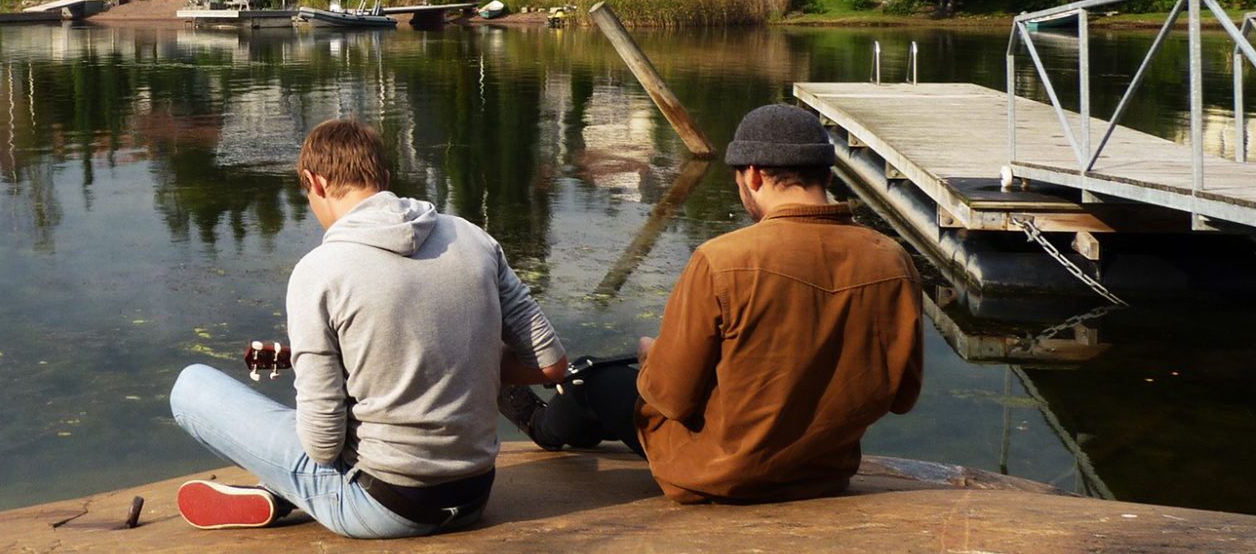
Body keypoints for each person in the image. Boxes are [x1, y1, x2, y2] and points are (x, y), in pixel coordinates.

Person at [501, 103, 924, 503]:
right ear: (826, 178)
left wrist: (654, 357)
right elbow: (903, 394)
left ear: (754, 175)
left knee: (589, 380)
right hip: (825, 471)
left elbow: (672, 398)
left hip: (719, 474)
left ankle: (543, 425)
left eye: (738, 179)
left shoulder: (723, 261)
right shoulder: (893, 259)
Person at [169, 118, 568, 537]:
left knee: (190, 387)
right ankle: (282, 490)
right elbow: (551, 364)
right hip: (473, 498)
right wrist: (466, 361)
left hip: (383, 508)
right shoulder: (472, 238)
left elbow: (323, 445)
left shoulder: (320, 272)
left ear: (314, 182)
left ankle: (289, 488)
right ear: (385, 177)